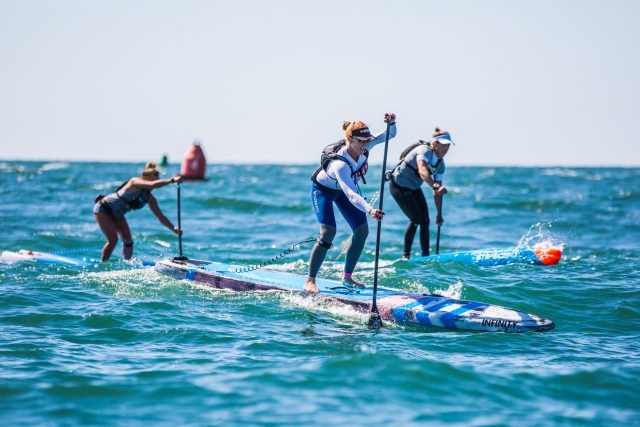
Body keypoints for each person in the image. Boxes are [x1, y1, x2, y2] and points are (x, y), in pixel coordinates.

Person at [305, 113, 397, 293]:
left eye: (367, 141)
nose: (365, 145)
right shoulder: (340, 164)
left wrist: (392, 123)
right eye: (361, 141)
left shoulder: (366, 145)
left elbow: (389, 135)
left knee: (362, 230)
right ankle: (310, 280)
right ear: (349, 139)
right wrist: (370, 209)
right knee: (328, 232)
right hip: (323, 190)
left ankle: (347, 277)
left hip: (345, 191)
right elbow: (351, 194)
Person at [93, 162, 182, 261]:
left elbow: (161, 217)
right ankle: (103, 263)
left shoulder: (150, 198)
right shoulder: (134, 182)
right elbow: (153, 185)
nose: (156, 180)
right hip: (103, 208)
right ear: (144, 177)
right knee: (113, 240)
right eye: (154, 177)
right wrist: (172, 180)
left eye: (157, 178)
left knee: (128, 241)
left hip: (117, 214)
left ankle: (127, 263)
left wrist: (174, 228)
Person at [389, 128, 453, 259]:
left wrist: (439, 215)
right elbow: (423, 172)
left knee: (426, 220)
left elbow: (438, 192)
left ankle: (426, 256)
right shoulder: (424, 151)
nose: (445, 149)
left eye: (448, 145)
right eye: (443, 145)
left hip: (413, 188)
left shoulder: (441, 165)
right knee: (416, 219)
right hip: (398, 186)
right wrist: (436, 186)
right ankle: (405, 256)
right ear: (434, 143)